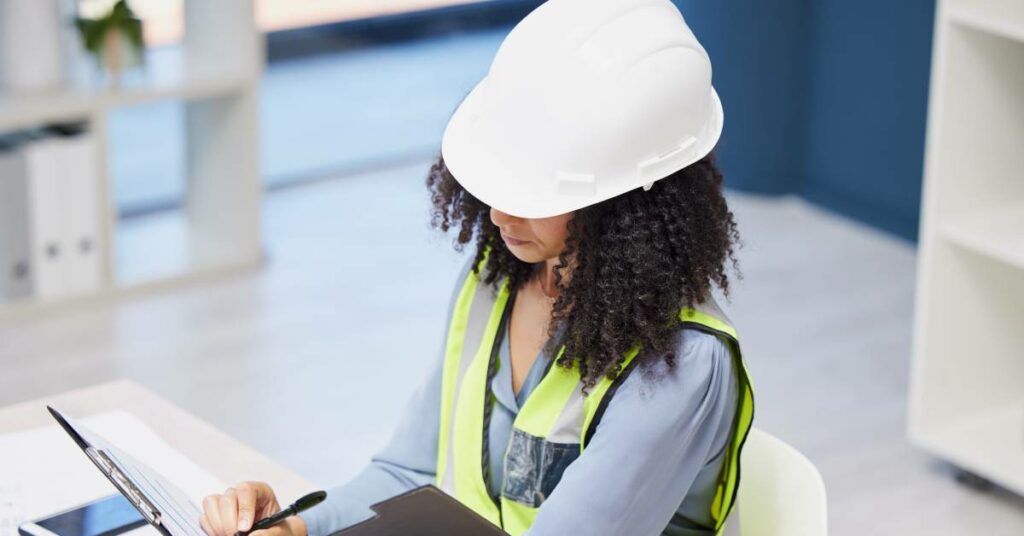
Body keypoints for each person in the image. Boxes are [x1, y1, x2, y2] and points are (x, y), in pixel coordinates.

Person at [198, 0, 754, 535]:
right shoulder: (495, 277)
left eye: (532, 191)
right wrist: (296, 526)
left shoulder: (681, 362)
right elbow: (410, 473)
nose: (497, 212)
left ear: (629, 201)